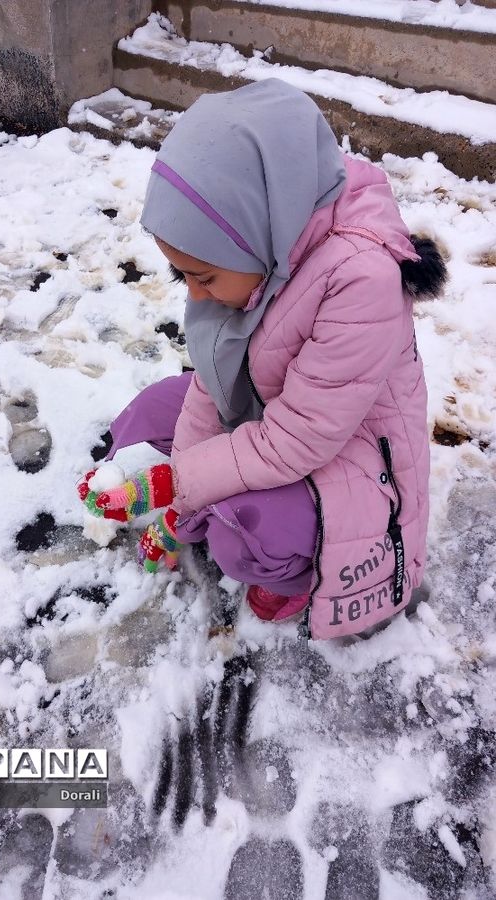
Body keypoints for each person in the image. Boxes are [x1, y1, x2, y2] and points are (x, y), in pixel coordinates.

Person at [78, 79, 445, 639]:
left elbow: (296, 440)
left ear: (256, 229)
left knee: (244, 532)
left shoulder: (360, 279)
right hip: (275, 418)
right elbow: (214, 379)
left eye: (203, 277)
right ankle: (209, 504)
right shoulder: (263, 246)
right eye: (183, 277)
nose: (195, 297)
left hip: (350, 460)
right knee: (151, 413)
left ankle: (297, 574)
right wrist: (183, 494)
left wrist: (179, 484)